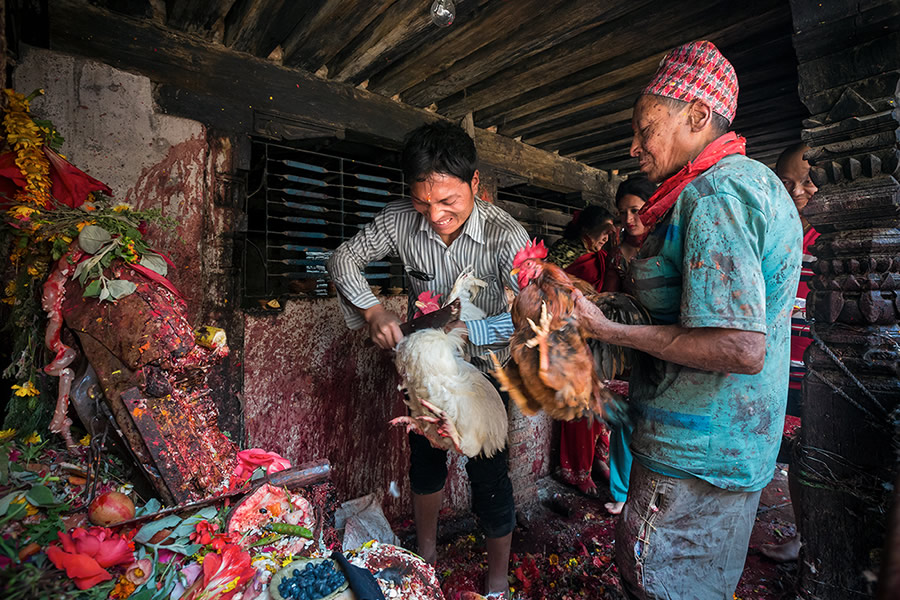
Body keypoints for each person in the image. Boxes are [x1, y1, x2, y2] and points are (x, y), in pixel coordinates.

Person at [572, 41, 802, 599]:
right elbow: (683, 315)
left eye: (645, 128)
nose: (633, 146)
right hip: (720, 446)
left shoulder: (717, 193)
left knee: (660, 585)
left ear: (697, 115)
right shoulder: (733, 186)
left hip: (696, 455)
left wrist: (606, 330)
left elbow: (738, 347)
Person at [327, 121, 529, 598]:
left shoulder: (507, 237)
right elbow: (343, 260)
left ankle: (497, 581)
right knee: (424, 462)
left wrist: (466, 330)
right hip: (427, 368)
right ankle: (426, 554)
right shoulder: (399, 220)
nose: (434, 214)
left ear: (474, 184)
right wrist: (372, 309)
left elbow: (528, 320)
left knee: (489, 473)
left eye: (448, 201)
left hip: (489, 368)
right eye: (422, 201)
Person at [759, 142, 819, 562]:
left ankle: (817, 541)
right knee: (797, 457)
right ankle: (803, 537)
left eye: (809, 181)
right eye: (787, 183)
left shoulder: (833, 238)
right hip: (781, 367)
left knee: (819, 454)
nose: (798, 192)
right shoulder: (776, 234)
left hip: (819, 369)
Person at [546, 206, 617, 498]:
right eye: (606, 231)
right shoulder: (565, 253)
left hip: (594, 334)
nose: (608, 237)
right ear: (588, 231)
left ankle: (597, 456)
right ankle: (577, 469)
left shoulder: (602, 256)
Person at [605, 176, 658, 291]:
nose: (628, 219)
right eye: (623, 213)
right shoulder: (617, 256)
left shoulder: (668, 244)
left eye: (635, 211)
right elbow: (611, 297)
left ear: (652, 208)